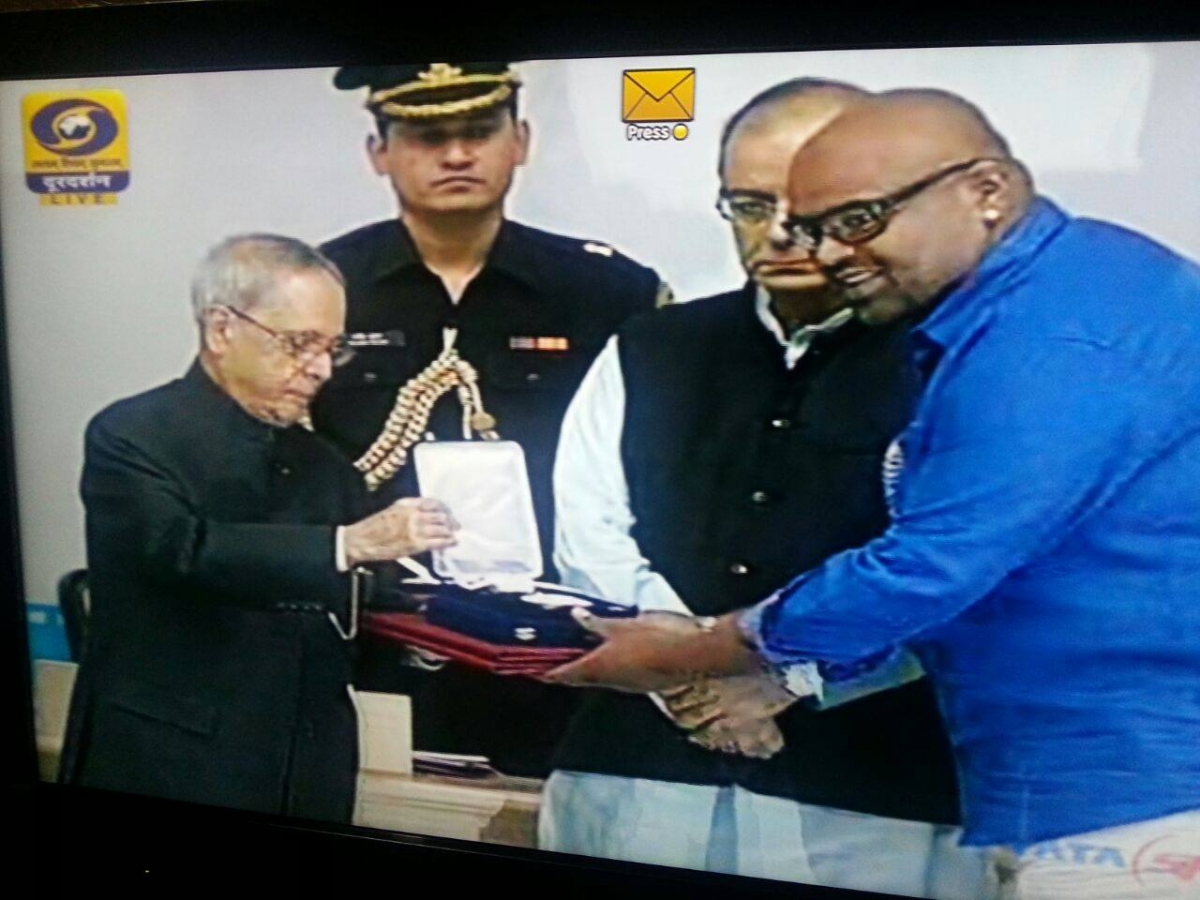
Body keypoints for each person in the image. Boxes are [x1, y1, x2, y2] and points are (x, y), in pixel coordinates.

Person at [544, 88, 1200, 900]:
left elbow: (935, 568)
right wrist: (727, 677)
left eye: (855, 219)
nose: (817, 246)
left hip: (1119, 785)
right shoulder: (1026, 306)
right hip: (1059, 776)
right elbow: (590, 529)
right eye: (764, 207)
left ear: (986, 192)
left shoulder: (1050, 332)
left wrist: (715, 654)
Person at [541, 79, 983, 899]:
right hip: (635, 776)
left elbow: (967, 573)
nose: (777, 230)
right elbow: (589, 533)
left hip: (873, 796)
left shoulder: (960, 357)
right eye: (748, 204)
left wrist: (786, 677)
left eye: (806, 202)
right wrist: (689, 670)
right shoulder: (651, 344)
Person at [313, 62, 667, 777]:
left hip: (556, 642)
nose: (455, 155)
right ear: (377, 153)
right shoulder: (319, 286)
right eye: (426, 136)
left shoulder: (606, 291)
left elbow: (660, 466)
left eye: (479, 131)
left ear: (522, 141)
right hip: (365, 633)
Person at [59, 235, 457, 823]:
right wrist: (348, 544)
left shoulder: (324, 464)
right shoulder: (132, 435)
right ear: (222, 330)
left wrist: (443, 632)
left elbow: (363, 598)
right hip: (171, 761)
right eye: (299, 344)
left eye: (333, 349)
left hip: (310, 766)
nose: (320, 369)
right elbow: (180, 549)